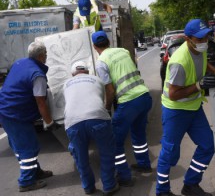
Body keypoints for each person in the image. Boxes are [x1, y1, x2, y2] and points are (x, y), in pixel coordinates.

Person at [156, 19, 215, 196]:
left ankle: (190, 184)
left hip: (194, 107)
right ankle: (162, 191)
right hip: (175, 111)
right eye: (199, 39)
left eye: (205, 37)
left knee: (208, 145)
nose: (203, 42)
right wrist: (199, 85)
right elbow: (173, 94)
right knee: (168, 153)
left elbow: (202, 63)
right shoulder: (178, 61)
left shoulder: (201, 47)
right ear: (188, 39)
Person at [92, 30, 153, 187]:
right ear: (109, 42)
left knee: (114, 141)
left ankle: (124, 176)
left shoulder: (101, 62)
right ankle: (144, 164)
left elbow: (110, 90)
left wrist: (106, 109)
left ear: (94, 46)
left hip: (129, 102)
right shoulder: (123, 51)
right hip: (144, 97)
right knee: (138, 134)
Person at [0, 41, 60, 192]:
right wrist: (50, 122)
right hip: (15, 114)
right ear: (41, 57)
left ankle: (35, 172)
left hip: (6, 110)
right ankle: (26, 182)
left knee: (22, 145)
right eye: (45, 54)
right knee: (29, 147)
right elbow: (40, 101)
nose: (46, 56)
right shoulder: (37, 75)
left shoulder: (20, 63)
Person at [63, 61, 119, 195]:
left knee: (80, 157)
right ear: (88, 71)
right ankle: (109, 185)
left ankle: (88, 187)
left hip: (73, 122)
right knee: (106, 152)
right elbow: (100, 98)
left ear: (72, 74)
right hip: (97, 117)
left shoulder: (66, 84)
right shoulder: (97, 80)